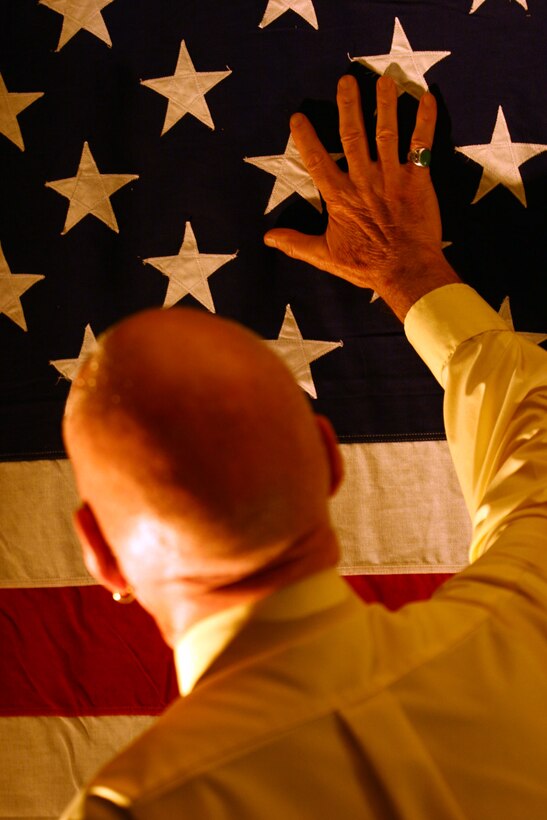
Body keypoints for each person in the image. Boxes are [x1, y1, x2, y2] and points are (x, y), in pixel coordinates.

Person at [61, 76, 547, 819]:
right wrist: (411, 270)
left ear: (102, 555)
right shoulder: (524, 624)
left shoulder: (138, 806)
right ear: (328, 461)